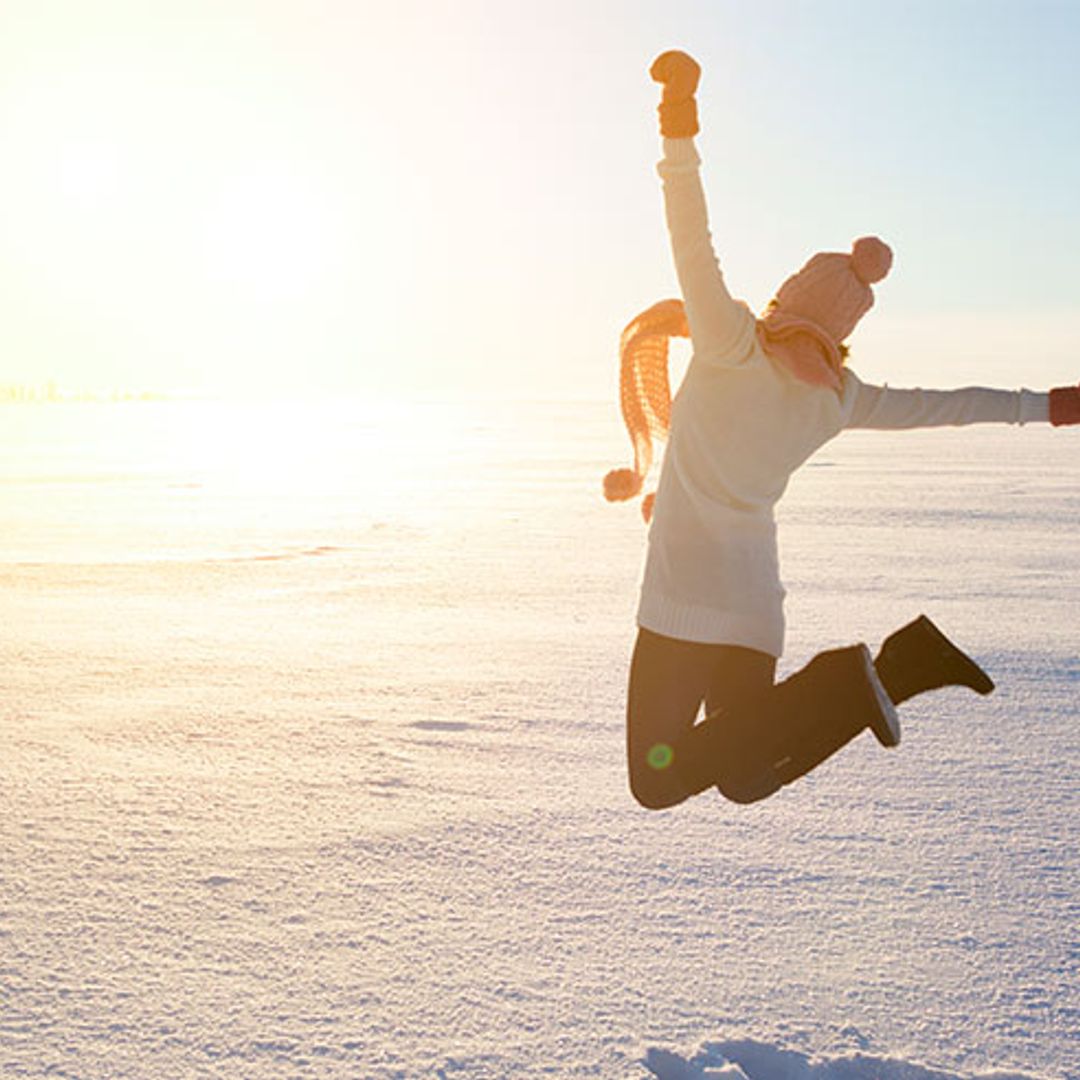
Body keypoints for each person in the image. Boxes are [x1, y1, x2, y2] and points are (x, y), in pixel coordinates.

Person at [604, 50, 1080, 810]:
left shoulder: (730, 343)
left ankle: (840, 677)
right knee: (746, 771)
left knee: (657, 780)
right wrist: (1052, 405)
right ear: (845, 331)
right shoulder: (840, 398)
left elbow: (688, 230)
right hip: (754, 615)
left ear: (786, 297)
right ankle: (897, 670)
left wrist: (678, 116)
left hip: (680, 606)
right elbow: (950, 404)